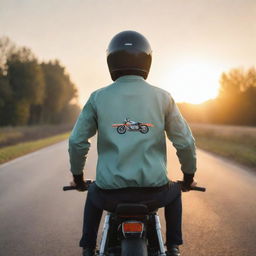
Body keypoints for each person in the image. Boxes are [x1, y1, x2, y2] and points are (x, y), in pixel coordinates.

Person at [68, 30, 197, 256]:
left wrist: (78, 178)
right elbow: (185, 142)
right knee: (175, 191)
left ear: (111, 60)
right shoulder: (163, 97)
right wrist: (188, 177)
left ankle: (88, 248)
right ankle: (174, 246)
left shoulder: (97, 97)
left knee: (92, 192)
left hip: (110, 193)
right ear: (146, 60)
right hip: (155, 192)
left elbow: (77, 141)